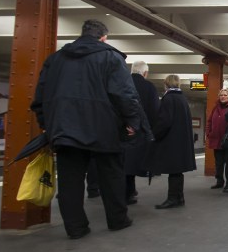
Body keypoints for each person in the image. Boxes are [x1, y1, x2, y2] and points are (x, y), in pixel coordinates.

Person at [31, 19, 143, 239]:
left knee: (69, 180)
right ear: (104, 37)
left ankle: (75, 228)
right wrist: (132, 121)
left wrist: (47, 123)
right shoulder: (111, 57)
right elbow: (124, 94)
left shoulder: (55, 60)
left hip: (64, 128)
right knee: (111, 176)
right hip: (104, 127)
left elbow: (41, 96)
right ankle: (117, 220)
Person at [146, 75, 197, 209]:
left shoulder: (168, 98)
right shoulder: (182, 98)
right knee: (177, 171)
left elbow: (164, 121)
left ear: (166, 84)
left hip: (172, 141)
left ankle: (173, 198)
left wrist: (154, 134)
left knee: (173, 170)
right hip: (181, 141)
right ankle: (179, 197)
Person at [123, 60, 159, 205]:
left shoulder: (122, 83)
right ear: (145, 73)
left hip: (122, 131)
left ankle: (127, 191)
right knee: (133, 163)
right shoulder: (149, 87)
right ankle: (129, 193)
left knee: (123, 163)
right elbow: (155, 111)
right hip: (141, 132)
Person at [205, 89, 228, 190]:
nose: (223, 97)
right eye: (221, 95)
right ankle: (219, 181)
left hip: (227, 140)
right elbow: (209, 121)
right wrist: (208, 133)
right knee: (218, 163)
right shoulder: (215, 108)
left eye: (225, 95)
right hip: (216, 140)